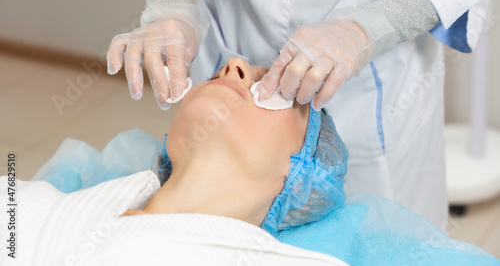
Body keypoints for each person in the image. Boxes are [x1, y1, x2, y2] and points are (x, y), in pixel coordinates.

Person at [106, 0, 500, 230]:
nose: (236, 68)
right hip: (232, 20)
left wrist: (367, 29)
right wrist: (167, 2)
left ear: (296, 175)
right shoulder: (69, 214)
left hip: (375, 90)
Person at [18, 58, 500, 265]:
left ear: (300, 171)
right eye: (219, 71)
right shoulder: (33, 205)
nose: (232, 67)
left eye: (275, 87)